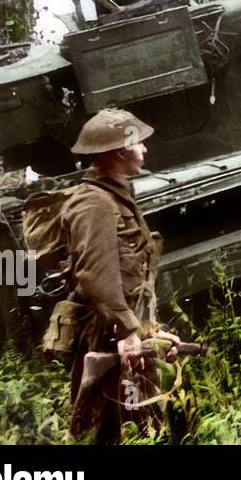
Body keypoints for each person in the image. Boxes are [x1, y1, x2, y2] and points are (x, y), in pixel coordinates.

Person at [60, 108, 174, 443]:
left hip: (127, 325)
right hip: (109, 332)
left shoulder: (116, 194)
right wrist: (126, 332)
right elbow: (95, 273)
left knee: (140, 416)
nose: (145, 150)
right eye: (138, 143)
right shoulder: (94, 204)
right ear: (118, 152)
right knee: (105, 425)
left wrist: (144, 328)